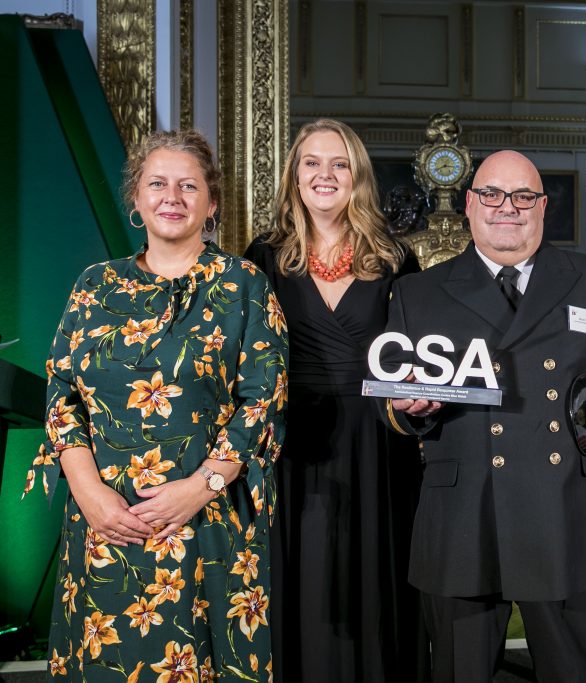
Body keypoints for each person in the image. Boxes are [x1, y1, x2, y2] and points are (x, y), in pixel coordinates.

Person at [379, 150, 586, 682]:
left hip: (566, 511)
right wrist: (407, 410)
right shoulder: (417, 292)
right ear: (469, 205)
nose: (506, 208)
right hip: (464, 517)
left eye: (523, 197)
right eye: (491, 194)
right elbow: (393, 404)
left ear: (543, 207)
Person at [24, 129, 288, 681]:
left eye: (189, 186)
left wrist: (200, 489)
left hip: (208, 520)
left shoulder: (244, 285)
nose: (173, 196)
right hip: (106, 524)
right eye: (158, 183)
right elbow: (59, 391)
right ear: (137, 200)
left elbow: (265, 397)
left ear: (211, 204)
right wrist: (88, 492)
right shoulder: (94, 286)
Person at [243, 118, 425, 682]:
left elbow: (414, 358)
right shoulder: (263, 257)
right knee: (302, 570)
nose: (325, 174)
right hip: (290, 439)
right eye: (312, 162)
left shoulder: (397, 257)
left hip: (377, 440)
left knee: (372, 572)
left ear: (357, 177)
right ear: (295, 177)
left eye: (339, 163)